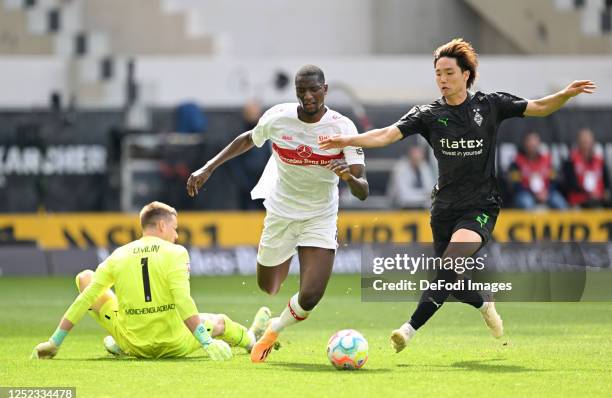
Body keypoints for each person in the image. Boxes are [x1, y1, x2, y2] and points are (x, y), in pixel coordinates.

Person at [319, 38, 595, 352]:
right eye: (438, 73)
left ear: (466, 74)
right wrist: (346, 139)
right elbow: (385, 135)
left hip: (480, 207)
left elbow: (541, 107)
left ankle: (408, 330)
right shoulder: (428, 114)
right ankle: (484, 304)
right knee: (453, 283)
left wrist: (565, 94)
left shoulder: (491, 105)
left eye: (449, 73)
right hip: (444, 208)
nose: (442, 80)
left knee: (449, 266)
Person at [187, 65, 369, 363]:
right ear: (296, 92)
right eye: (302, 91)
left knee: (310, 296)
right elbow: (247, 138)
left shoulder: (343, 128)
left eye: (314, 90)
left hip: (320, 216)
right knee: (268, 286)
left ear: (325, 90)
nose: (308, 96)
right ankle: (268, 315)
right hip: (281, 211)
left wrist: (348, 177)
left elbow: (363, 189)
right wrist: (208, 167)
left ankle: (274, 328)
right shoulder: (278, 117)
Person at [32, 201, 271, 360]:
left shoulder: (119, 254)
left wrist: (55, 342)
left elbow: (86, 299)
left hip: (133, 343)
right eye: (175, 229)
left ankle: (118, 342)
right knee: (219, 322)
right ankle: (252, 340)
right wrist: (207, 342)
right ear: (161, 225)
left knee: (86, 279)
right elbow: (183, 301)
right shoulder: (176, 253)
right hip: (174, 343)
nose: (176, 235)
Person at [509, 131, 567, 209]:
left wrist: (547, 192)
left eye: (535, 141)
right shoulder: (516, 162)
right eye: (529, 141)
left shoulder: (547, 160)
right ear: (525, 143)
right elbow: (515, 184)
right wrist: (533, 193)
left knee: (559, 202)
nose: (532, 144)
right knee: (527, 202)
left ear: (539, 143)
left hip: (546, 193)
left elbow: (554, 180)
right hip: (525, 193)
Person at [563, 128, 610, 208]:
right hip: (579, 200)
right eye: (583, 141)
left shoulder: (600, 161)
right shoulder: (570, 161)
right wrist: (588, 194)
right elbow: (570, 185)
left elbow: (607, 183)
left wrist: (604, 193)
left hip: (599, 198)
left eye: (588, 141)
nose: (586, 144)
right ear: (578, 143)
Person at [387, 143, 437, 209]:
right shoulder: (400, 168)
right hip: (400, 208)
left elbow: (430, 190)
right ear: (409, 154)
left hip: (422, 207)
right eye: (414, 154)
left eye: (420, 154)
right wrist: (425, 196)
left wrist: (426, 196)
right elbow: (404, 196)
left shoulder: (423, 166)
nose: (417, 157)